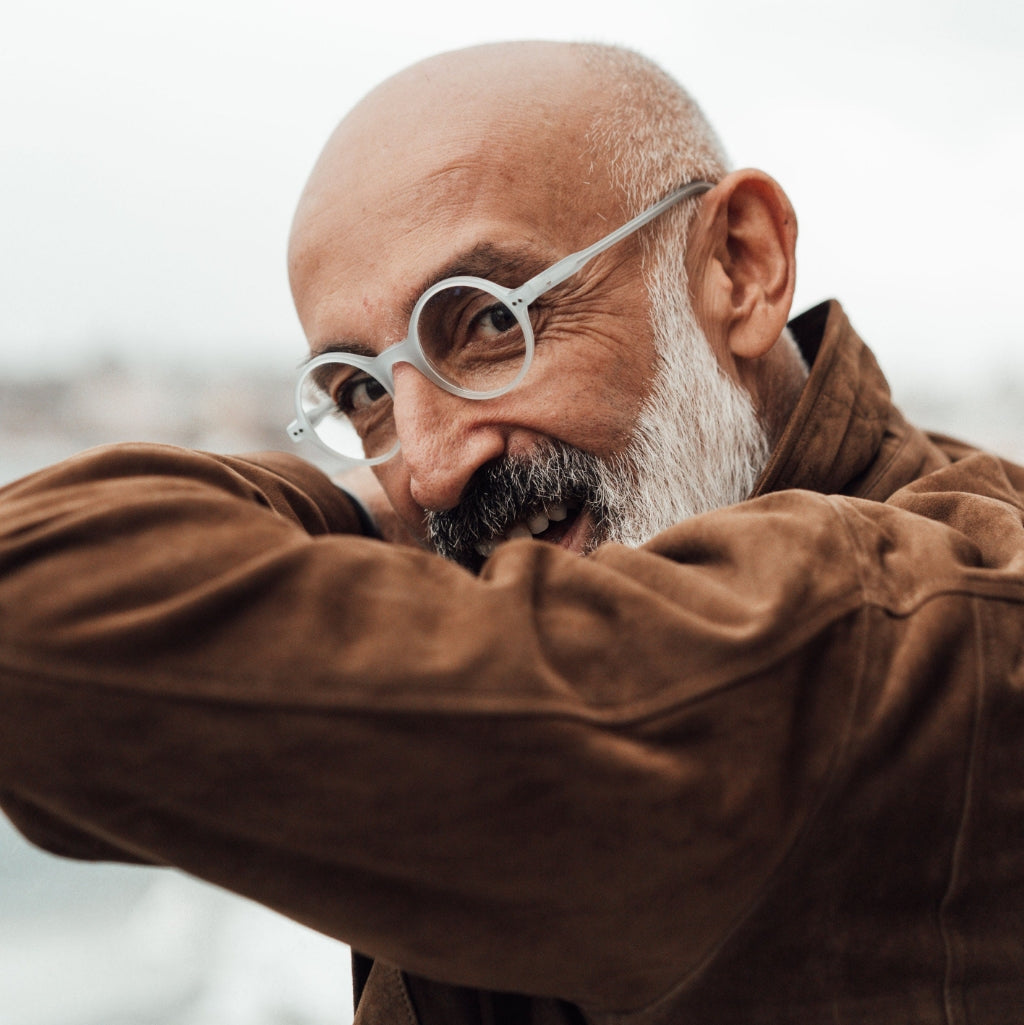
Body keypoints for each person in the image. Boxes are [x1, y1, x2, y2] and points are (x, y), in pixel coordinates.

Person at [1, 39, 1022, 1025]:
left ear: (739, 265)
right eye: (362, 389)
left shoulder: (922, 640)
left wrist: (352, 521)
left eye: (491, 321)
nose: (432, 462)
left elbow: (34, 606)